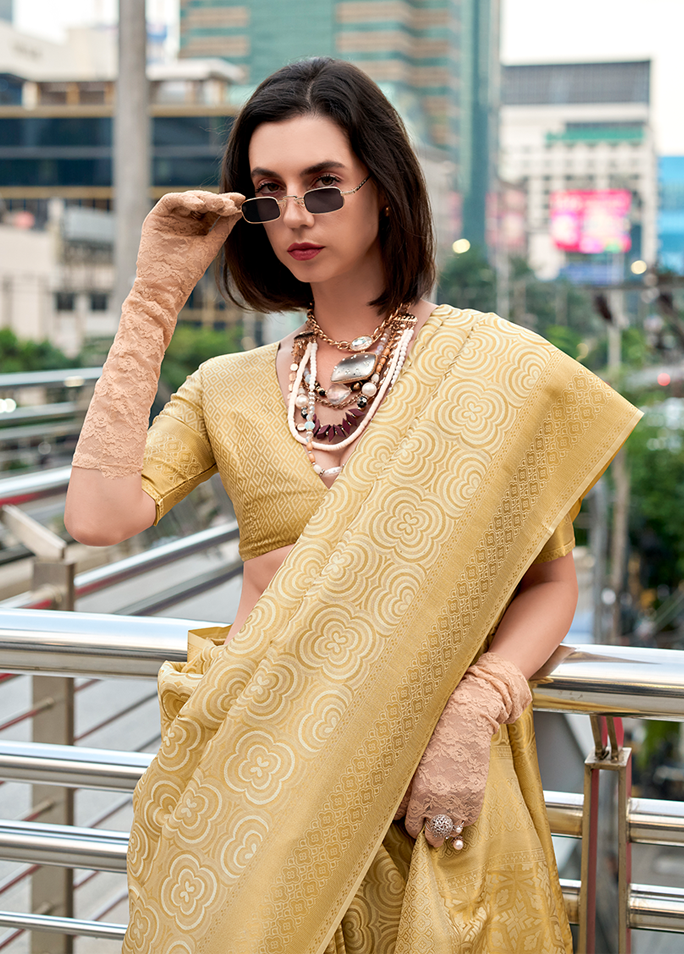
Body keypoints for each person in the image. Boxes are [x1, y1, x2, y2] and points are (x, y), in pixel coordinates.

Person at [65, 58, 640, 954]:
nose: (295, 214)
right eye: (267, 193)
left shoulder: (491, 371)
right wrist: (152, 298)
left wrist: (477, 706)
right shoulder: (228, 386)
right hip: (251, 782)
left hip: (425, 789)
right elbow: (98, 517)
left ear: (385, 188)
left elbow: (547, 586)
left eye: (324, 186)